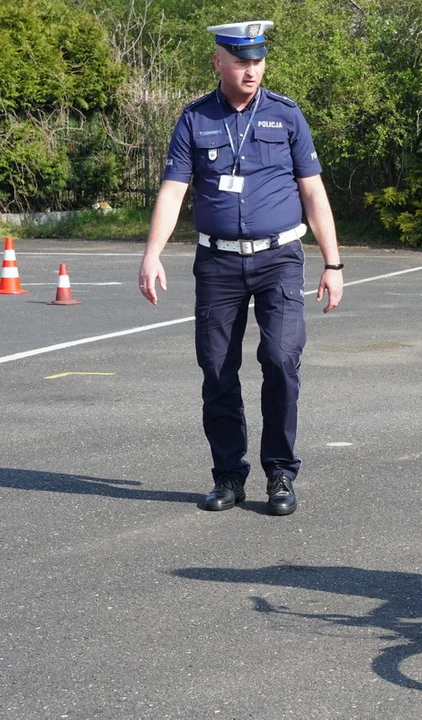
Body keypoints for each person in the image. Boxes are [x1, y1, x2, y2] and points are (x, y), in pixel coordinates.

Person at [137, 20, 344, 516]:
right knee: (216, 368)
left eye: (258, 60)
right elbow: (173, 191)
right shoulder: (194, 120)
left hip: (279, 258)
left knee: (279, 358)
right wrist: (152, 253)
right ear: (218, 62)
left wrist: (333, 263)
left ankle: (280, 474)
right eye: (240, 60)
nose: (251, 70)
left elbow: (313, 192)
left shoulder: (287, 116)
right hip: (217, 262)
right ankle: (229, 475)